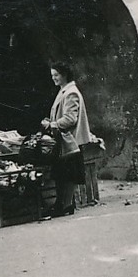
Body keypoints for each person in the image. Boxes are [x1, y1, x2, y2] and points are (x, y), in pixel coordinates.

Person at [42, 62, 97, 217]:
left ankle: (65, 205)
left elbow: (70, 119)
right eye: (52, 76)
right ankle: (64, 204)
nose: (54, 78)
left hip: (69, 140)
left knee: (66, 174)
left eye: (56, 75)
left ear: (64, 74)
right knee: (63, 173)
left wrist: (51, 125)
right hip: (65, 140)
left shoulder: (70, 93)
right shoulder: (64, 91)